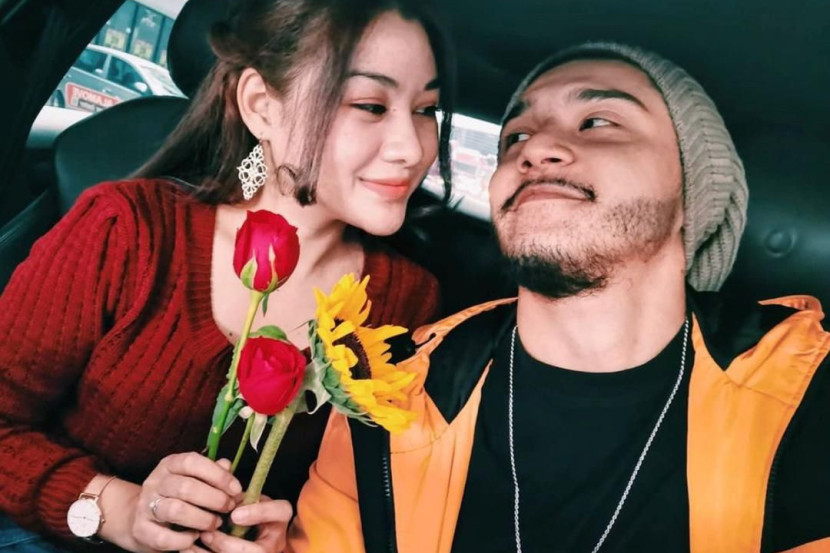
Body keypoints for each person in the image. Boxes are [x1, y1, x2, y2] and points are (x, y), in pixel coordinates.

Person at [287, 42, 830, 553]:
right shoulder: (389, 392)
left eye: (598, 122)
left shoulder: (810, 393)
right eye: (515, 137)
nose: (534, 148)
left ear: (693, 190)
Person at [0, 0, 455, 551]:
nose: (413, 148)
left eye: (427, 110)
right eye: (370, 105)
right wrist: (117, 507)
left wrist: (288, 539)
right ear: (262, 106)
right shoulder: (128, 231)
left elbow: (358, 497)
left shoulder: (405, 301)